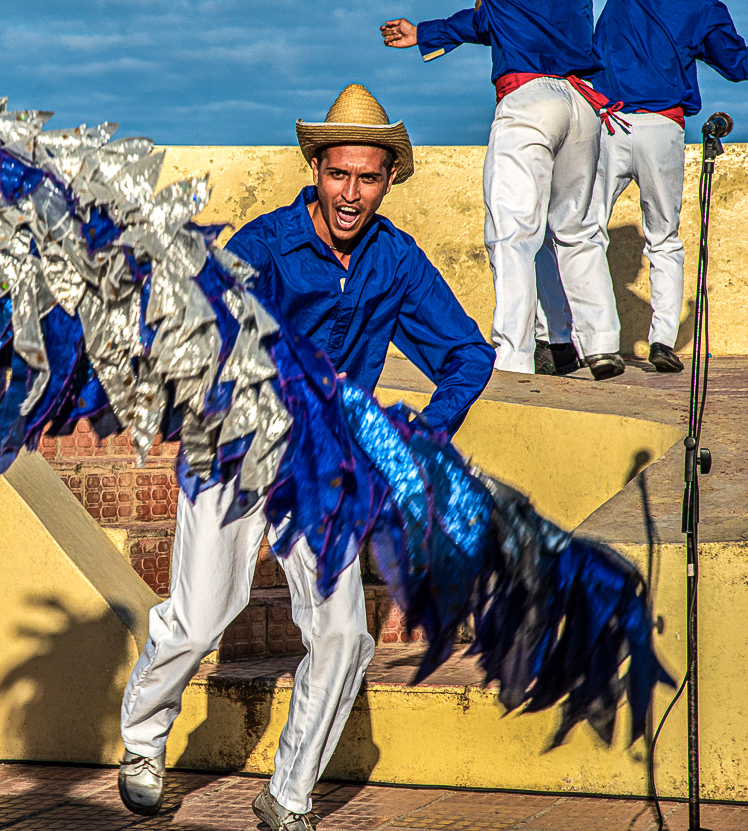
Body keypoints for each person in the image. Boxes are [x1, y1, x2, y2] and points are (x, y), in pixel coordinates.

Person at [117, 84, 495, 831]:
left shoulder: (396, 261)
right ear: (316, 170)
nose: (351, 193)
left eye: (367, 178)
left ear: (388, 180)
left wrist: (423, 432)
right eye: (338, 174)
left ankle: (288, 796)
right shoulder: (263, 247)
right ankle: (142, 742)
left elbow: (468, 354)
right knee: (200, 618)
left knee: (343, 635)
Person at [381, 2, 628, 380]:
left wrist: (423, 33)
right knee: (577, 231)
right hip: (581, 104)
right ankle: (600, 343)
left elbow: (484, 17)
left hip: (529, 100)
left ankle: (514, 355)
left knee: (512, 234)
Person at [569, 0, 748, 374]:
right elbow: (736, 64)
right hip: (662, 126)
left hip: (609, 123)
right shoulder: (701, 6)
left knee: (585, 232)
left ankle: (596, 344)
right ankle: (663, 341)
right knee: (664, 239)